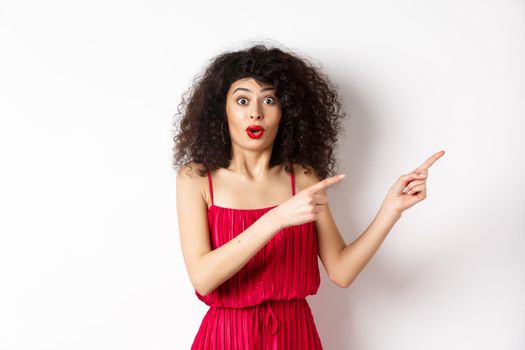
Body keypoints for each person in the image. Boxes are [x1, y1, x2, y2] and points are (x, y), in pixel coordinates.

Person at [172, 43, 444, 349]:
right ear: (221, 110)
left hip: (294, 335)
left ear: (286, 111)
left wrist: (391, 210)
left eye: (269, 100)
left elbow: (341, 272)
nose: (256, 113)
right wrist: (277, 218)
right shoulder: (197, 179)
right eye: (242, 100)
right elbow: (202, 278)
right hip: (226, 338)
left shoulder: (302, 178)